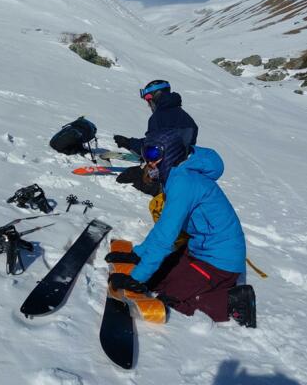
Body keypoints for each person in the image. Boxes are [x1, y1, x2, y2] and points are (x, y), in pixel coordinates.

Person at [106, 129, 256, 326]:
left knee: (172, 299)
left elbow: (166, 236)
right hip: (198, 251)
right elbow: (163, 229)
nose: (148, 161)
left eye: (153, 154)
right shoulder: (177, 176)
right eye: (146, 153)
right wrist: (138, 255)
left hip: (220, 262)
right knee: (156, 282)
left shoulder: (183, 182)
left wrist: (137, 277)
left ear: (170, 155)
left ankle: (234, 300)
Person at [113, 80, 198, 196]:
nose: (148, 104)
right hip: (181, 173)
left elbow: (153, 149)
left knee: (122, 180)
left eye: (148, 99)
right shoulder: (186, 117)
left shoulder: (159, 117)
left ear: (157, 95)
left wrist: (129, 143)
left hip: (163, 177)